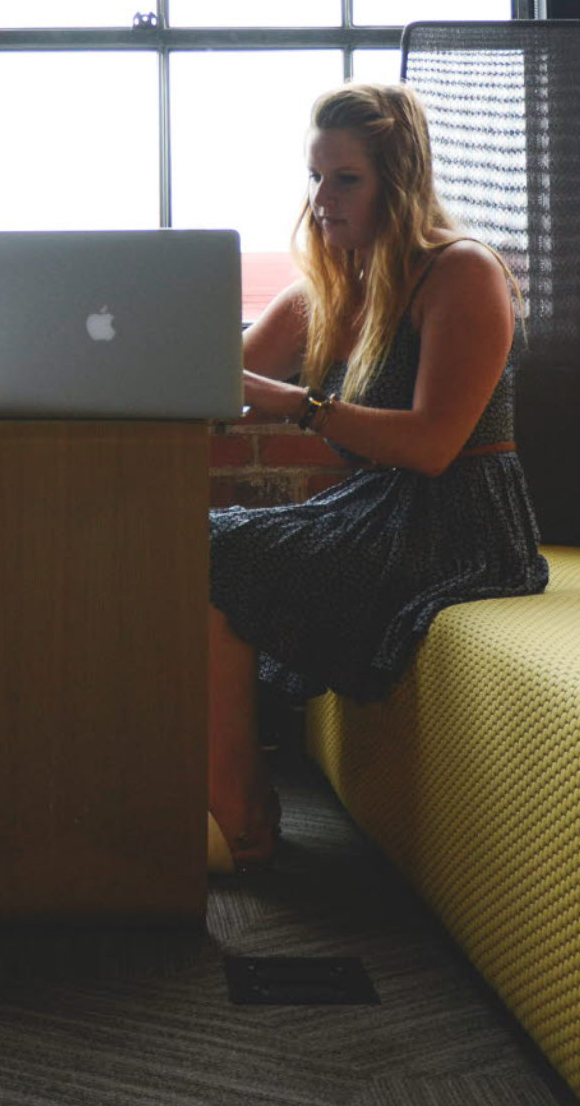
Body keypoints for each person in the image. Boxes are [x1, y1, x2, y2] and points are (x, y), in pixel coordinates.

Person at [206, 83, 549, 871]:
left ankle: (239, 812)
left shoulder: (460, 272)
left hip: (462, 522)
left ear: (398, 181)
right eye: (314, 177)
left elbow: (433, 446)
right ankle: (235, 796)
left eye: (344, 179)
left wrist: (301, 406)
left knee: (217, 554)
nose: (321, 199)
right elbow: (216, 381)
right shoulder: (329, 288)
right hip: (376, 509)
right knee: (198, 545)